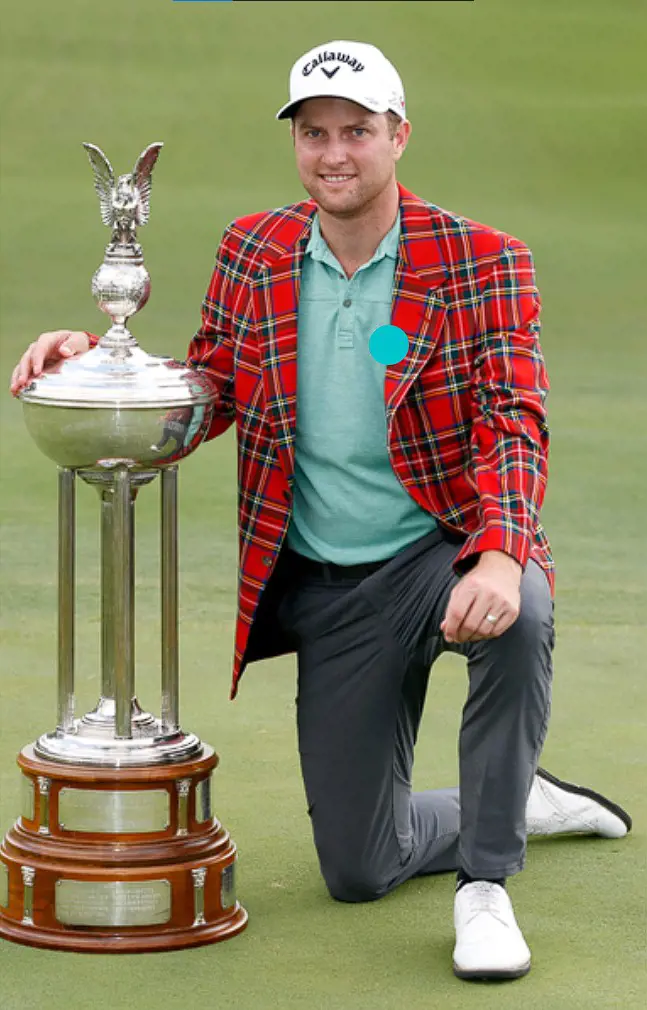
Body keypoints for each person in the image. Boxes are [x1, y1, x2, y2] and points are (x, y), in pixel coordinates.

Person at [10, 40, 632, 982]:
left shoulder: (481, 259)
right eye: (313, 134)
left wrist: (500, 556)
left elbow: (513, 419)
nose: (333, 152)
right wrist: (102, 368)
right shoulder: (256, 248)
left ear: (398, 136)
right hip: (335, 584)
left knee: (521, 612)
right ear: (297, 144)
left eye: (356, 131)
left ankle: (486, 885)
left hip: (442, 547)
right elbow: (213, 385)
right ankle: (511, 801)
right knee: (357, 865)